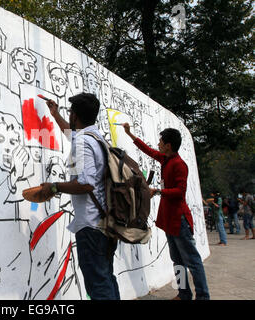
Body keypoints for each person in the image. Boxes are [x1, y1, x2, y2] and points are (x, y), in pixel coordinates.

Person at [39, 92, 120, 300]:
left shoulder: (83, 142)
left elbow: (85, 184)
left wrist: (54, 187)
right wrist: (55, 115)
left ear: (75, 115)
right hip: (105, 223)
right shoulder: (95, 137)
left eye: (70, 113)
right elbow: (71, 134)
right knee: (106, 278)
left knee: (99, 285)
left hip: (91, 226)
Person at [123, 123, 210, 300]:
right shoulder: (165, 159)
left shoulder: (179, 165)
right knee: (177, 260)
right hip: (170, 220)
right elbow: (148, 150)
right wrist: (130, 134)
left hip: (179, 221)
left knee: (193, 262)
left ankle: (203, 296)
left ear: (168, 145)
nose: (158, 145)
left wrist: (159, 191)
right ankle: (184, 294)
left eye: (161, 142)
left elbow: (180, 191)